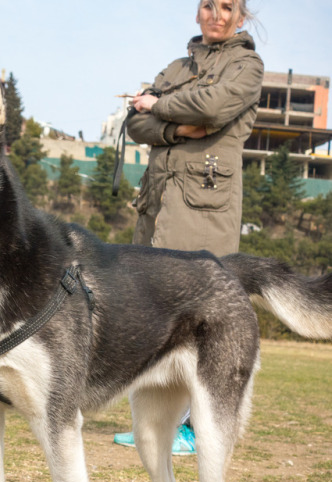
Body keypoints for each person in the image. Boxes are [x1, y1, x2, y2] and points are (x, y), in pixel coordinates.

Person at [114, 0, 264, 453]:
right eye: (207, 5)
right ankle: (158, 424)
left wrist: (159, 104)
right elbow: (136, 122)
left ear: (241, 16)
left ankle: (199, 428)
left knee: (202, 319)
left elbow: (214, 107)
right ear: (196, 12)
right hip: (158, 203)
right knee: (152, 313)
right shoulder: (176, 66)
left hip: (204, 207)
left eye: (227, 7)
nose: (216, 14)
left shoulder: (247, 65)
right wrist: (178, 130)